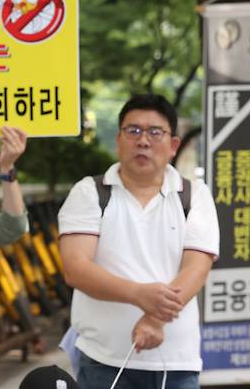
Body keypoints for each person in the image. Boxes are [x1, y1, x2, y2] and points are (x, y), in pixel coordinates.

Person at [58, 94, 219, 389]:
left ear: (173, 146)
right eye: (133, 131)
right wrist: (138, 294)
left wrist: (155, 319)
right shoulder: (89, 192)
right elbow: (76, 268)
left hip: (177, 361)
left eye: (155, 132)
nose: (143, 140)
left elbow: (197, 268)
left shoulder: (195, 195)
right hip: (103, 359)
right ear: (118, 139)